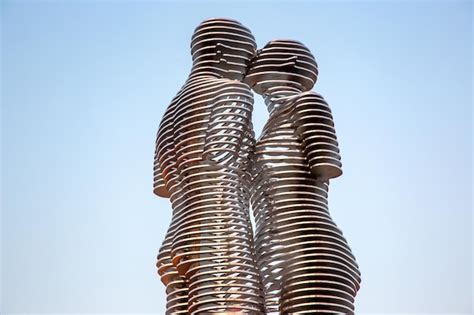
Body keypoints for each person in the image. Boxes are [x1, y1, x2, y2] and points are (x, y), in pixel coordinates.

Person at [153, 18, 265, 314]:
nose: (248, 72)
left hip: (175, 236)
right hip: (219, 231)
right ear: (220, 51)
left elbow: (163, 184)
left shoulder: (171, 111)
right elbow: (223, 162)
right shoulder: (233, 92)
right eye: (247, 58)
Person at [244, 39, 361, 314]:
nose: (255, 62)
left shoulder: (308, 104)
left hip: (313, 253)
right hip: (281, 257)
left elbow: (324, 166)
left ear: (293, 65)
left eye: (264, 57)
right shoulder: (268, 131)